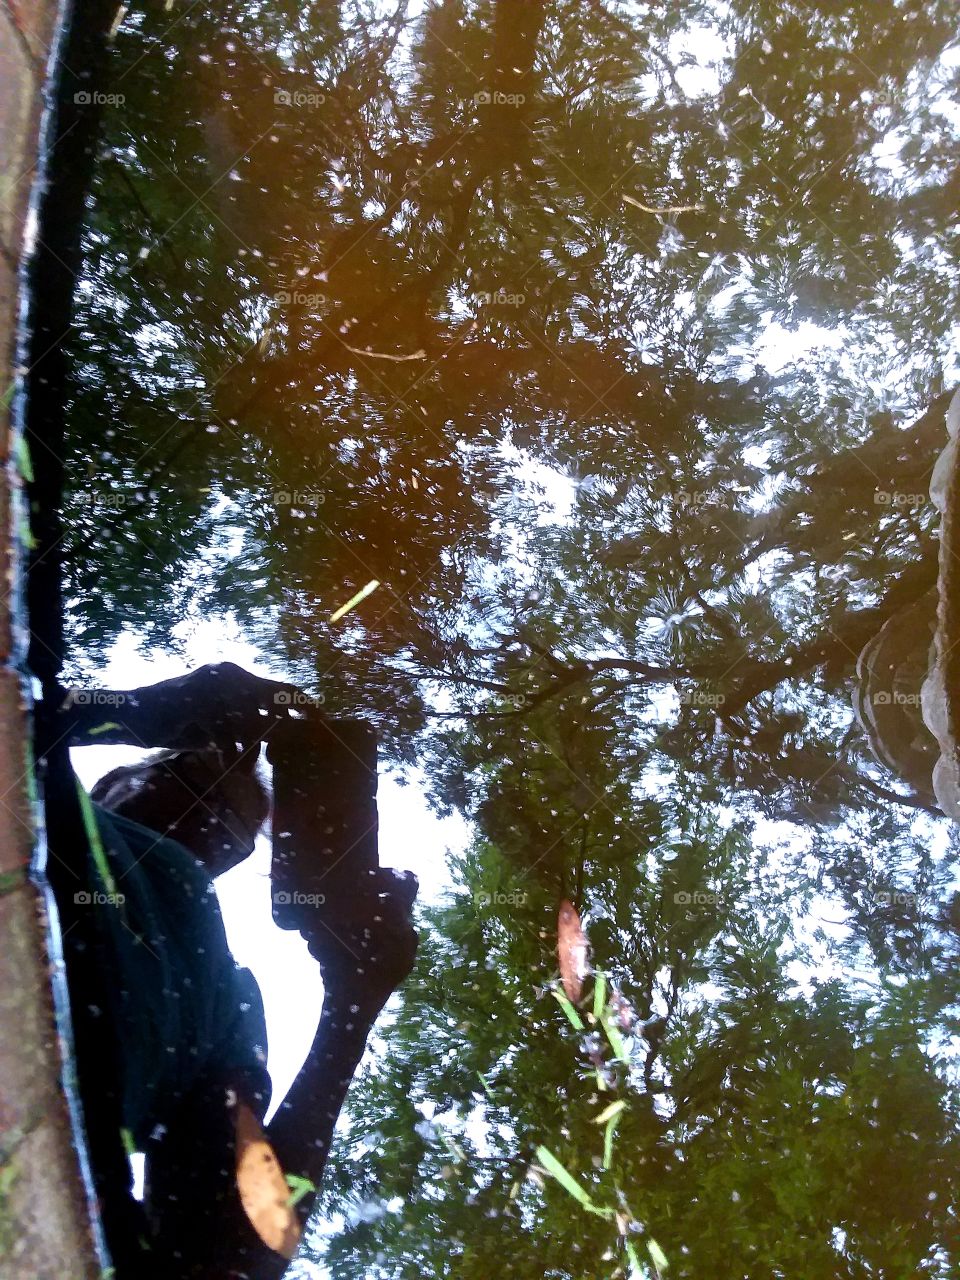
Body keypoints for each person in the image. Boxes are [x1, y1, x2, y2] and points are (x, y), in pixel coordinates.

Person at [52, 666, 418, 1279]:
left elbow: (232, 1248)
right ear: (116, 780)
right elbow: (19, 705)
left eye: (232, 832)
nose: (207, 827)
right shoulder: (37, 791)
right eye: (193, 779)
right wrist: (139, 709)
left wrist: (351, 1006)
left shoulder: (225, 1005)